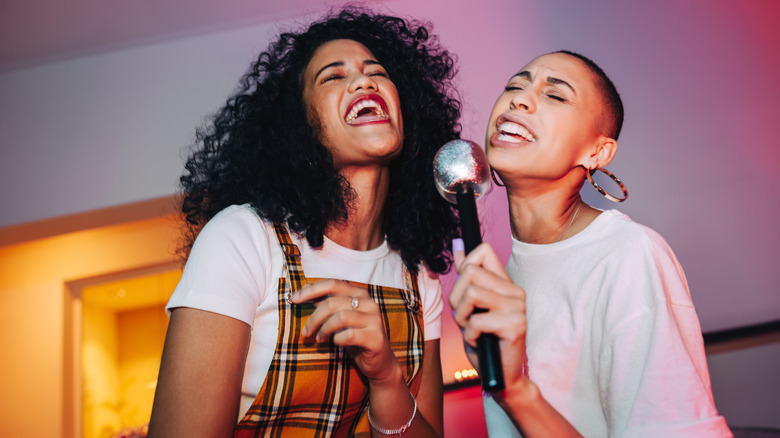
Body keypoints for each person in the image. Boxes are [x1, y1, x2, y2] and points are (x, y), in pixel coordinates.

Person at [147, 7, 462, 437]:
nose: (365, 81)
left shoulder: (417, 275)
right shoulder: (242, 239)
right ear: (301, 127)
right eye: (333, 76)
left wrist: (387, 378)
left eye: (377, 72)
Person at [448, 50, 732, 437]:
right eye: (515, 85)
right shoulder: (501, 279)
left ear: (598, 152)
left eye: (556, 95)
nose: (519, 98)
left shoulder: (629, 256)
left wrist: (515, 389)